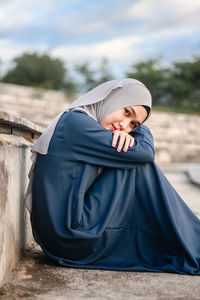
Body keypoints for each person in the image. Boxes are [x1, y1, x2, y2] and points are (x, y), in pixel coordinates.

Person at [25, 78, 200, 275]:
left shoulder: (80, 121)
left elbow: (140, 151)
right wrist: (141, 132)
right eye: (126, 112)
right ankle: (192, 239)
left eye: (133, 124)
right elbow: (144, 154)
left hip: (63, 235)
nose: (124, 125)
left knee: (129, 160)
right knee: (135, 165)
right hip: (70, 238)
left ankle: (190, 238)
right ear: (110, 98)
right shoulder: (76, 123)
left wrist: (133, 132)